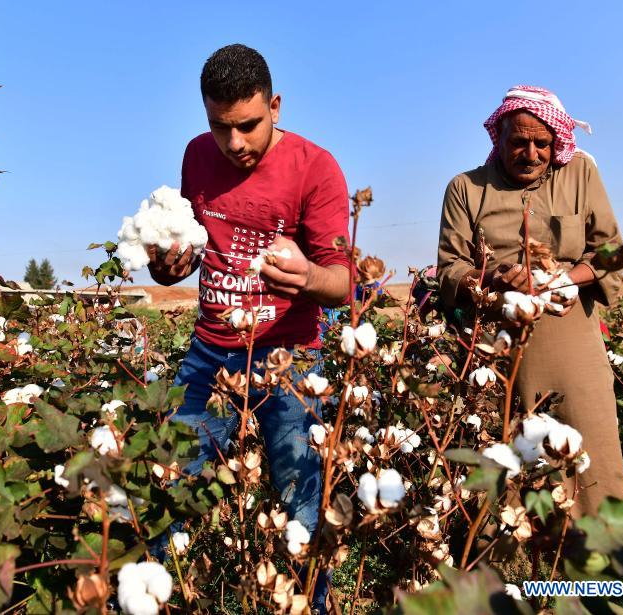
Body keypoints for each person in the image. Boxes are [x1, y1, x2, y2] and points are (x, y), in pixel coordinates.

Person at [147, 43, 351, 607]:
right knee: (168, 486)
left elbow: (342, 282)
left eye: (248, 126)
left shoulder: (316, 167)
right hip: (210, 356)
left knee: (301, 504)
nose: (233, 143)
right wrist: (169, 264)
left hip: (290, 363)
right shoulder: (196, 157)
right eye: (219, 127)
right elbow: (185, 254)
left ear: (276, 106)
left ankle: (311, 602)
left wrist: (307, 275)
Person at [436, 85, 623, 516]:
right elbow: (449, 268)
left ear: (557, 141)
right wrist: (495, 279)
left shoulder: (579, 174)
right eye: (518, 142)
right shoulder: (466, 189)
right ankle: (512, 574)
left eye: (542, 143)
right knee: (501, 469)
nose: (531, 153)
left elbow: (610, 250)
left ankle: (603, 571)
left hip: (572, 341)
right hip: (496, 348)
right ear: (497, 139)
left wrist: (567, 278)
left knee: (591, 462)